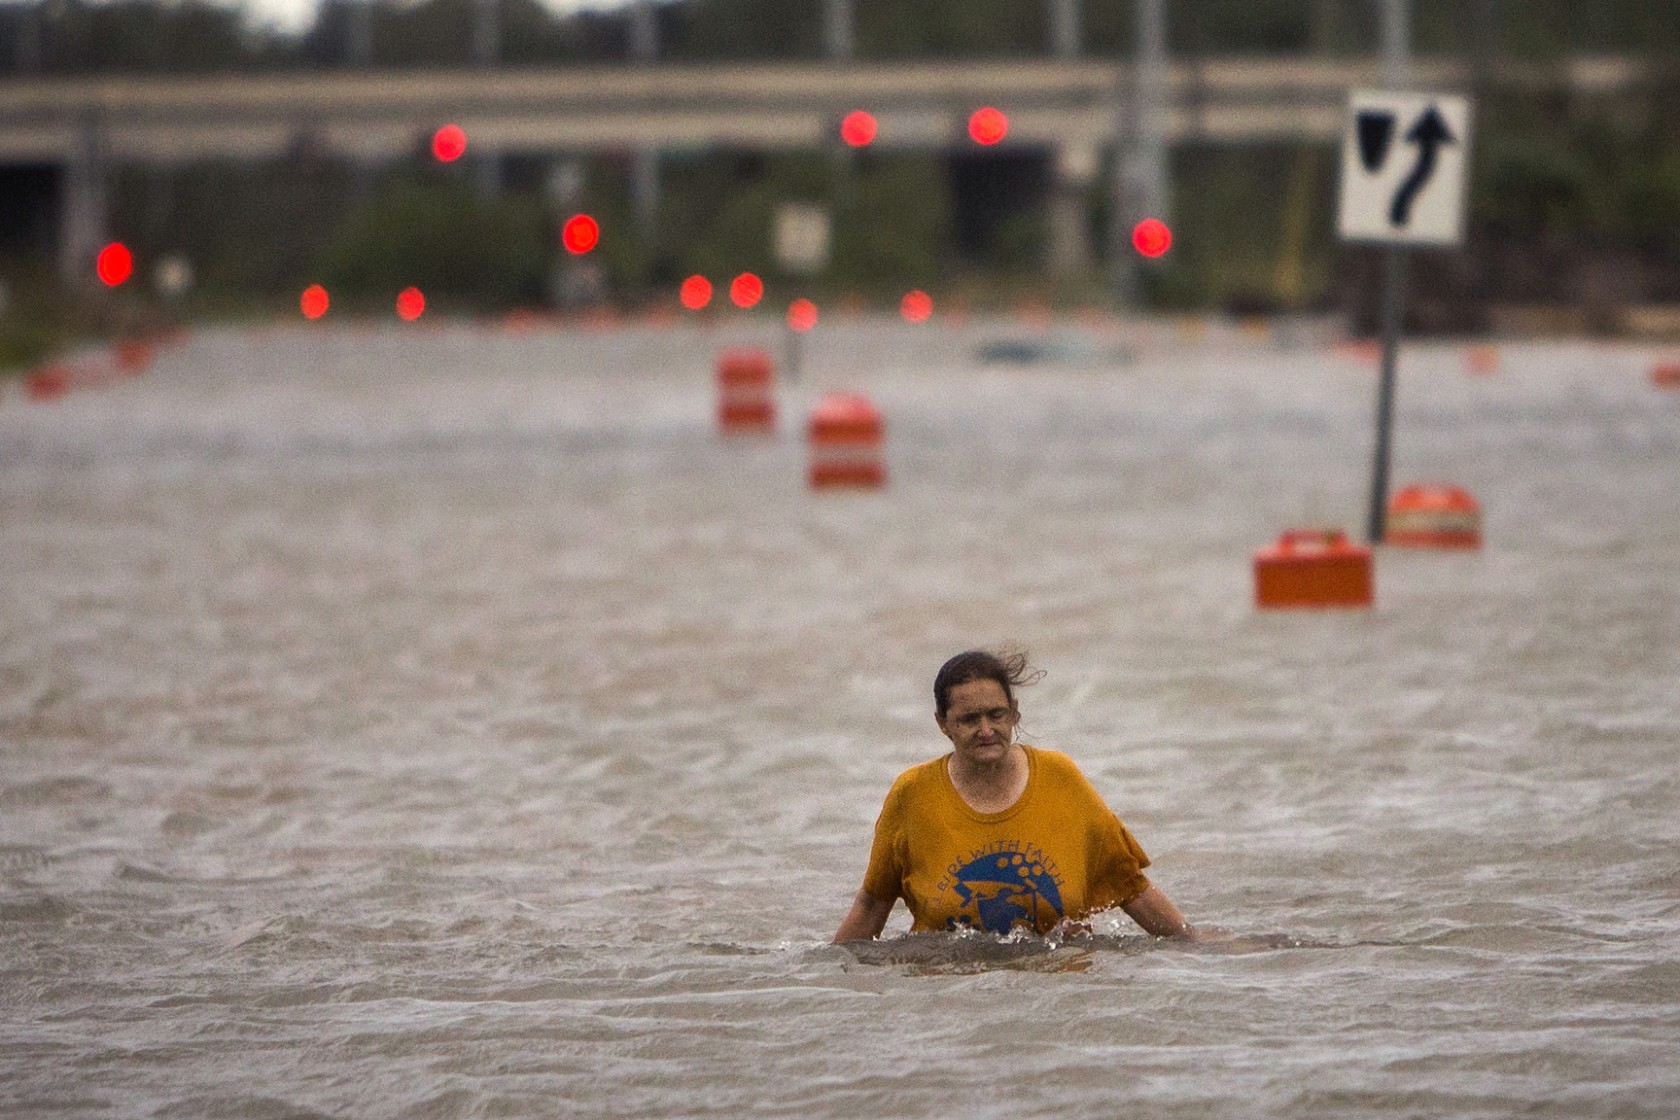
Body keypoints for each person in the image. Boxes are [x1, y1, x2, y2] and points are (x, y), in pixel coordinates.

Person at [833, 649, 1201, 943]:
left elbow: (1129, 885)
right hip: (949, 1002)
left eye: (997, 714)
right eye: (969, 719)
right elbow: (871, 906)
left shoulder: (1061, 778)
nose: (986, 730)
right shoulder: (912, 794)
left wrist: (1195, 944)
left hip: (1058, 996)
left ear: (1015, 713)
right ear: (942, 724)